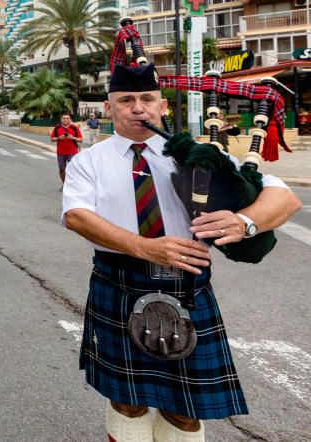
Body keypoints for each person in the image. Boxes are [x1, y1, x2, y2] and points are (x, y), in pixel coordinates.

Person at [63, 61, 301, 442]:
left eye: (147, 99)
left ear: (162, 107)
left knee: (185, 410)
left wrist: (245, 222)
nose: (138, 108)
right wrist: (145, 248)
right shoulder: (88, 161)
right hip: (119, 282)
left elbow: (284, 198)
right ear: (109, 108)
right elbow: (76, 216)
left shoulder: (196, 155)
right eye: (126, 100)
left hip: (187, 288)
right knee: (127, 401)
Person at [51, 113, 83, 188]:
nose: (65, 120)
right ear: (61, 119)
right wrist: (59, 138)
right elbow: (52, 139)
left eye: (67, 118)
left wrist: (72, 138)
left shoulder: (75, 128)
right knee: (62, 169)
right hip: (61, 153)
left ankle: (73, 185)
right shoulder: (57, 128)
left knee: (74, 170)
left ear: (70, 120)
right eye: (64, 118)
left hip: (73, 152)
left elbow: (80, 140)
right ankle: (65, 184)